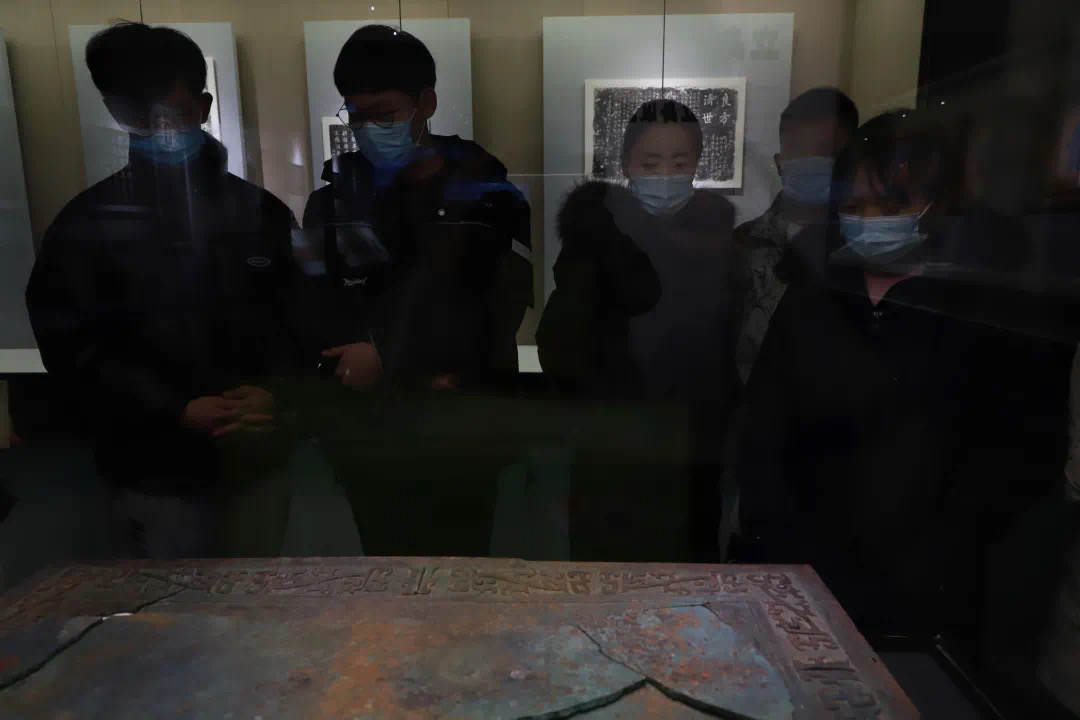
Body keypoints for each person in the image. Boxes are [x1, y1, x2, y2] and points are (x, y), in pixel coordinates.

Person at [736, 109, 1070, 635]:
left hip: (932, 585)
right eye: (854, 206)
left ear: (942, 204)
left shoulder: (986, 306)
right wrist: (778, 544)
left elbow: (1020, 450)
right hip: (806, 574)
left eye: (892, 205)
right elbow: (765, 426)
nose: (870, 219)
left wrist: (949, 544)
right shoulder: (813, 292)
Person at [25, 22, 298, 559]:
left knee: (262, 596)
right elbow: (72, 348)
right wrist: (174, 408)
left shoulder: (261, 213)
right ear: (116, 111)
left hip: (256, 459)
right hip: (155, 469)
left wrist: (277, 394)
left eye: (171, 112)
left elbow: (298, 317)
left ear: (203, 105)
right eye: (140, 114)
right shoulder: (87, 224)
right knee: (169, 601)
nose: (159, 128)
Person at [298, 25, 532, 556]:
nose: (367, 128)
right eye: (356, 115)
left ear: (425, 104)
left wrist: (387, 353)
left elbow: (502, 307)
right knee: (385, 576)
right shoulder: (332, 202)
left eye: (383, 114)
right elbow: (316, 305)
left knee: (463, 575)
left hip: (463, 432)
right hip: (370, 435)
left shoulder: (488, 194)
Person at [537, 99, 745, 562]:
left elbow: (730, 348)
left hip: (693, 448)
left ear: (697, 164)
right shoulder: (597, 239)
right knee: (603, 571)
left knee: (688, 570)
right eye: (651, 163)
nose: (665, 174)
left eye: (679, 162)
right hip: (610, 446)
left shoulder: (721, 246)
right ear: (627, 165)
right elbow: (559, 343)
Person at [733, 88, 859, 383]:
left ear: (851, 161)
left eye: (827, 153)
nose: (812, 163)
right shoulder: (741, 244)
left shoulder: (865, 244)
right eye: (801, 153)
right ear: (780, 163)